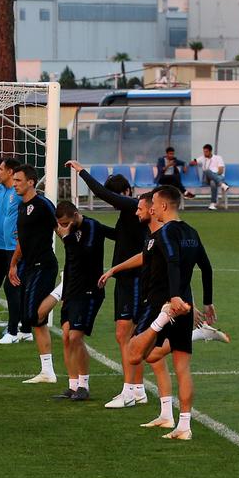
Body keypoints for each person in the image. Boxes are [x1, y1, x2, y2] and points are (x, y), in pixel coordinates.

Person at [102, 185, 214, 439]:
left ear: (163, 206)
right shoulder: (192, 232)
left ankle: (164, 321)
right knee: (181, 367)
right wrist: (207, 302)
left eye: (153, 204)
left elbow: (172, 262)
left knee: (133, 354)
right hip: (184, 305)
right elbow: (206, 268)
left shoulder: (166, 233)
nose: (151, 208)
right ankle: (183, 426)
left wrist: (171, 301)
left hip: (162, 305)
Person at [68, 159, 150, 408]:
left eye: (116, 196)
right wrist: (87, 224)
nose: (112, 200)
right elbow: (118, 236)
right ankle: (136, 389)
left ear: (125, 193)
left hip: (134, 278)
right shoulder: (129, 214)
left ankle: (131, 391)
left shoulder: (132, 206)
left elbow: (102, 193)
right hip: (124, 279)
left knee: (127, 334)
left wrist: (82, 172)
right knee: (125, 335)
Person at [51, 200, 112, 402]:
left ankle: (84, 386)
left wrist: (67, 238)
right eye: (61, 224)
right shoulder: (68, 230)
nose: (65, 227)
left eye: (68, 223)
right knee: (67, 336)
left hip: (89, 290)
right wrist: (65, 292)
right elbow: (71, 261)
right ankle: (73, 385)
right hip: (72, 290)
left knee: (76, 337)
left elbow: (85, 255)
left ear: (76, 215)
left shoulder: (92, 227)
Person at [8, 165, 60, 386]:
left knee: (31, 317)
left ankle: (63, 289)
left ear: (31, 182)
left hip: (44, 265)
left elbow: (61, 227)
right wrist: (13, 265)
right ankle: (47, 371)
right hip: (28, 266)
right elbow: (21, 239)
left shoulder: (43, 205)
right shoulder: (22, 207)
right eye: (14, 180)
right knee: (37, 321)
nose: (15, 184)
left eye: (18, 180)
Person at [0, 160, 26, 343]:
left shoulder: (18, 193)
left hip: (12, 248)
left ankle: (15, 329)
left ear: (10, 172)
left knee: (13, 287)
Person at [191, 144, 227, 210]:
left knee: (213, 182)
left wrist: (213, 175)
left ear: (210, 151)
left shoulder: (218, 158)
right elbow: (193, 162)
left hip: (219, 176)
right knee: (207, 171)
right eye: (204, 151)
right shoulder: (202, 158)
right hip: (206, 179)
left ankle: (212, 203)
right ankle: (222, 185)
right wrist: (193, 162)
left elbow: (221, 171)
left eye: (206, 151)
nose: (205, 153)